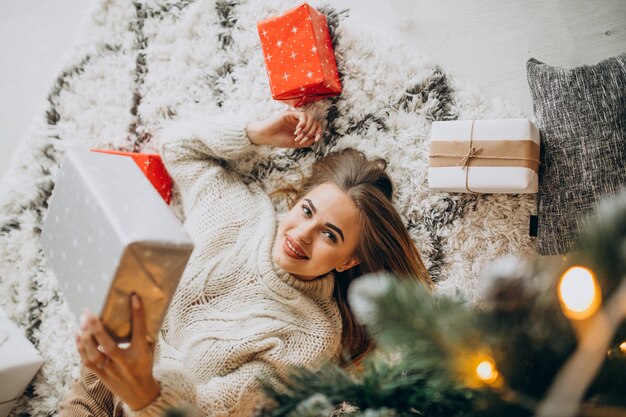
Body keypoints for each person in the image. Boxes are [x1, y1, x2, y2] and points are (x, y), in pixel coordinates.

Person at [59, 109, 432, 417]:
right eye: (306, 211)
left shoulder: (312, 337)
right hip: (101, 376)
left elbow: (217, 409)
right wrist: (254, 133)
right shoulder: (236, 208)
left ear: (349, 259)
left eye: (329, 235)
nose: (303, 234)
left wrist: (145, 392)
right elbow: (179, 147)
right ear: (295, 201)